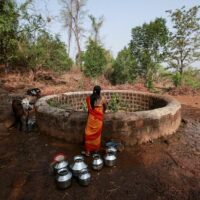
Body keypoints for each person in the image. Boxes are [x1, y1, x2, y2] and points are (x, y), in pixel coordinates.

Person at [81, 85, 107, 156]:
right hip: (99, 120)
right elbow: (105, 107)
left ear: (93, 90)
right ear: (99, 91)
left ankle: (88, 152)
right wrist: (102, 112)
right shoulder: (102, 98)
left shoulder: (89, 98)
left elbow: (89, 110)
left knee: (88, 134)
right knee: (97, 135)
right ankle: (96, 150)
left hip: (91, 119)